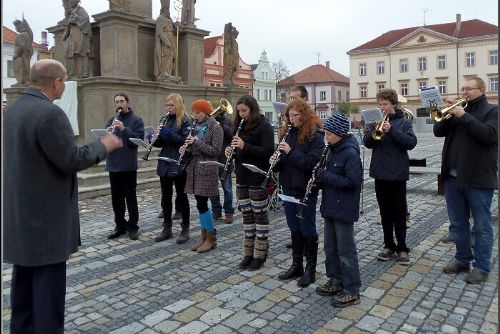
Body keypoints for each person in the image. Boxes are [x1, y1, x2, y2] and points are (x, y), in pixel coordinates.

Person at [4, 59, 122, 334]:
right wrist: (103, 145)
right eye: (65, 80)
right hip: (46, 222)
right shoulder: (50, 113)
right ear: (56, 82)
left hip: (20, 216)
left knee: (23, 295)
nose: (65, 86)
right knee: (48, 298)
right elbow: (69, 159)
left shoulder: (14, 109)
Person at [434, 77, 498, 284]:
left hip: (478, 178)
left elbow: (489, 135)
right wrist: (447, 115)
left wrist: (463, 115)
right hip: (453, 178)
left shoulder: (492, 111)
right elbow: (438, 132)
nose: (464, 92)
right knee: (458, 223)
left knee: (481, 225)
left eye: (469, 89)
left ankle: (481, 266)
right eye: (463, 88)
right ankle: (462, 259)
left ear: (481, 90)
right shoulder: (458, 111)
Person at [273, 99, 324, 287]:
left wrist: (291, 151)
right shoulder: (288, 134)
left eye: (295, 115)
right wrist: (276, 161)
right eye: (290, 115)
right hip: (287, 188)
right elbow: (284, 162)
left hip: (305, 191)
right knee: (294, 228)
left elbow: (311, 164)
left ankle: (311, 269)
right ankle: (297, 265)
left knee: (307, 229)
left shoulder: (315, 137)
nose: (291, 119)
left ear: (304, 115)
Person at [363, 88, 417, 266]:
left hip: (397, 174)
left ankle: (402, 248)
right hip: (380, 173)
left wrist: (391, 130)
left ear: (393, 104)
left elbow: (410, 143)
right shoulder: (374, 122)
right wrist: (373, 130)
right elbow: (367, 143)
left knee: (399, 213)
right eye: (379, 104)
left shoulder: (403, 122)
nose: (382, 107)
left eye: (385, 104)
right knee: (384, 213)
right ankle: (388, 245)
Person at [314, 114, 363, 308]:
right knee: (330, 248)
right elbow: (328, 178)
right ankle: (335, 279)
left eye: (328, 133)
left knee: (346, 251)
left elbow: (352, 182)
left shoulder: (350, 154)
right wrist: (318, 179)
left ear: (339, 134)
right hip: (331, 206)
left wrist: (325, 176)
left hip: (344, 208)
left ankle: (352, 289)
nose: (325, 136)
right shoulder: (332, 150)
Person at [229, 95, 275, 270]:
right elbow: (237, 151)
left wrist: (244, 146)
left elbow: (268, 151)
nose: (241, 114)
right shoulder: (238, 126)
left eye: (244, 111)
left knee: (260, 215)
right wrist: (231, 152)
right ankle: (248, 253)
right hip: (241, 177)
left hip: (257, 177)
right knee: (247, 215)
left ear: (253, 110)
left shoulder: (265, 126)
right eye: (239, 111)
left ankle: (260, 254)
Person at [182, 99, 224, 253]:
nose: (194, 115)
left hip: (207, 169)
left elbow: (215, 151)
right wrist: (186, 149)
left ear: (206, 113)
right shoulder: (195, 127)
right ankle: (204, 236)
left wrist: (196, 143)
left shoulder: (215, 128)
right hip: (194, 169)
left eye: (197, 112)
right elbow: (193, 149)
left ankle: (211, 237)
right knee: (200, 203)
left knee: (202, 203)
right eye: (193, 112)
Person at [152, 93, 192, 244]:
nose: (168, 108)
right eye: (167, 105)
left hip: (179, 161)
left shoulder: (186, 120)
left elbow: (184, 141)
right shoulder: (165, 119)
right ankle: (167, 227)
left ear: (179, 105)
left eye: (171, 105)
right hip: (165, 161)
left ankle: (185, 228)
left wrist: (169, 133)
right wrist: (154, 138)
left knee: (182, 196)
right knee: (165, 196)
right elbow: (161, 143)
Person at [105, 93, 145, 240]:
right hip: (113, 164)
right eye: (117, 102)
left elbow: (139, 140)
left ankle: (133, 226)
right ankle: (120, 225)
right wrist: (107, 135)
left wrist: (124, 129)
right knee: (116, 199)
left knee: (130, 197)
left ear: (127, 102)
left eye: (122, 101)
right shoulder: (111, 120)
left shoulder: (136, 120)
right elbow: (106, 143)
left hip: (128, 165)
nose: (119, 104)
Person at [283, 84, 309, 249]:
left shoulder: (313, 129)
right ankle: (297, 243)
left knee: (306, 222)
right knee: (292, 219)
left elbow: (310, 162)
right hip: (288, 182)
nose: (291, 101)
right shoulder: (289, 128)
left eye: (295, 98)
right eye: (290, 98)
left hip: (303, 184)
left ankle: (305, 245)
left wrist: (290, 152)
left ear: (305, 100)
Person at [210, 102, 235, 224]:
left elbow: (232, 136)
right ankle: (216, 211)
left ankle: (229, 212)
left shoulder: (228, 122)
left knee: (227, 188)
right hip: (212, 158)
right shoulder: (210, 122)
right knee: (212, 188)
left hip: (225, 160)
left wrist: (220, 125)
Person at [62, 0, 91, 79]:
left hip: (79, 33)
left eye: (71, 1)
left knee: (80, 52)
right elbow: (69, 23)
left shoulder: (80, 10)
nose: (69, 2)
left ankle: (80, 73)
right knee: (70, 52)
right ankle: (71, 73)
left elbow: (85, 19)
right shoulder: (72, 11)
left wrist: (75, 20)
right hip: (72, 34)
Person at [154, 4, 177, 80]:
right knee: (166, 55)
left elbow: (174, 30)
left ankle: (169, 72)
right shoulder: (160, 19)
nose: (168, 12)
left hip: (172, 38)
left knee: (172, 56)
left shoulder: (169, 20)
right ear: (163, 10)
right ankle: (164, 72)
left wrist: (176, 26)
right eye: (167, 9)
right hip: (165, 40)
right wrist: (166, 41)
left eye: (168, 10)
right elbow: (159, 31)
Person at [13, 18, 33, 85]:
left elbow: (21, 46)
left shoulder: (21, 35)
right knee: (26, 67)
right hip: (26, 54)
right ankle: (25, 81)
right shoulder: (26, 34)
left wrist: (16, 55)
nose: (16, 28)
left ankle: (23, 81)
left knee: (23, 67)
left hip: (22, 55)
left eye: (16, 27)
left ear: (19, 26)